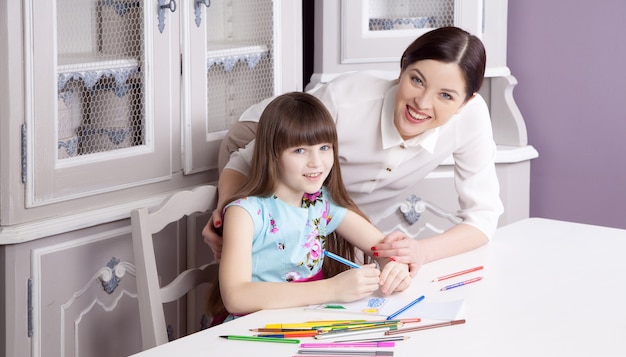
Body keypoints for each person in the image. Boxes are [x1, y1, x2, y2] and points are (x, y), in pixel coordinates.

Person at [205, 26, 503, 283]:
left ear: (466, 102)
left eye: (446, 95)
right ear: (402, 68)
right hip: (265, 142)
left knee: (339, 279)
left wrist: (420, 251)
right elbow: (243, 160)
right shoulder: (346, 101)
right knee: (268, 267)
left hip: (332, 200)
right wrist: (228, 210)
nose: (422, 103)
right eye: (417, 80)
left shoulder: (472, 119)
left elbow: (483, 217)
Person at [213, 92, 410, 321]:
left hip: (309, 322)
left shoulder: (320, 202)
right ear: (272, 153)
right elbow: (235, 296)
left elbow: (382, 248)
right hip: (255, 329)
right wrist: (332, 289)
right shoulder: (244, 213)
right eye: (299, 150)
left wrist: (395, 268)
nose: (316, 162)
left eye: (324, 148)